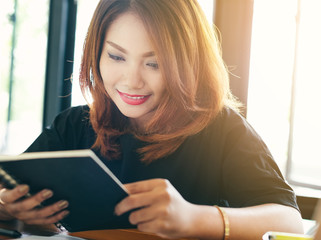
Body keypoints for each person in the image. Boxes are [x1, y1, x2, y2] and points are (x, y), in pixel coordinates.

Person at [0, 0, 303, 239]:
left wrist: (195, 218)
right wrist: (9, 209)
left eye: (154, 63)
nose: (132, 81)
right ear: (96, 53)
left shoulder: (222, 130)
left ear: (188, 64)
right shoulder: (75, 124)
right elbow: (10, 192)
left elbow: (289, 223)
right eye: (116, 57)